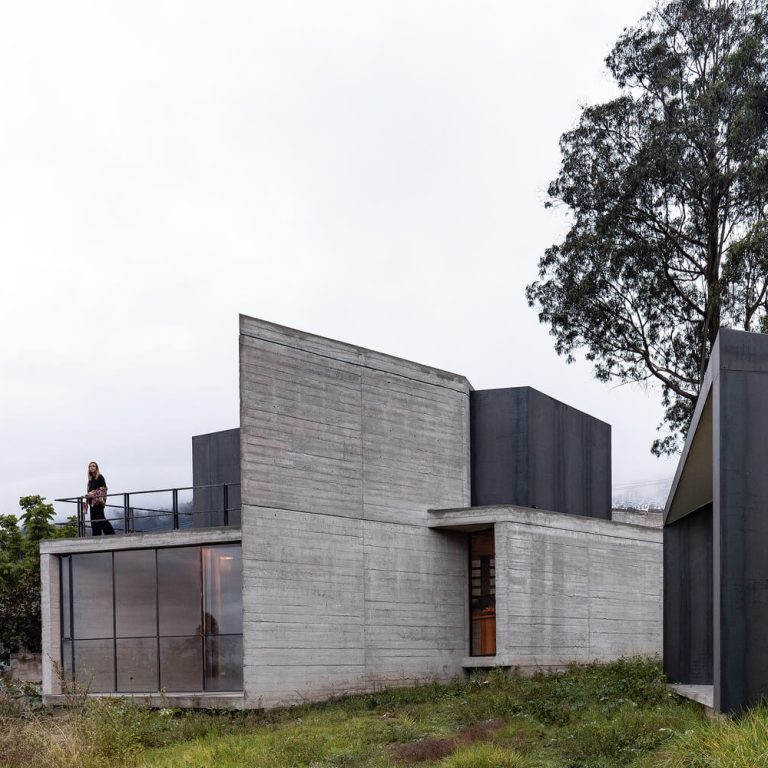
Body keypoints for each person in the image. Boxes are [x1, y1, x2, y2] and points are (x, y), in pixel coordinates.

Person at [86, 461, 115, 536]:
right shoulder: (90, 480)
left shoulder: (100, 477)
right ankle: (96, 536)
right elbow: (89, 490)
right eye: (90, 466)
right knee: (93, 520)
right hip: (92, 502)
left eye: (93, 466)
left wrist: (96, 494)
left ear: (96, 468)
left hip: (99, 500)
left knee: (101, 517)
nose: (91, 467)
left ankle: (110, 534)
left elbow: (104, 488)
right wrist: (88, 494)